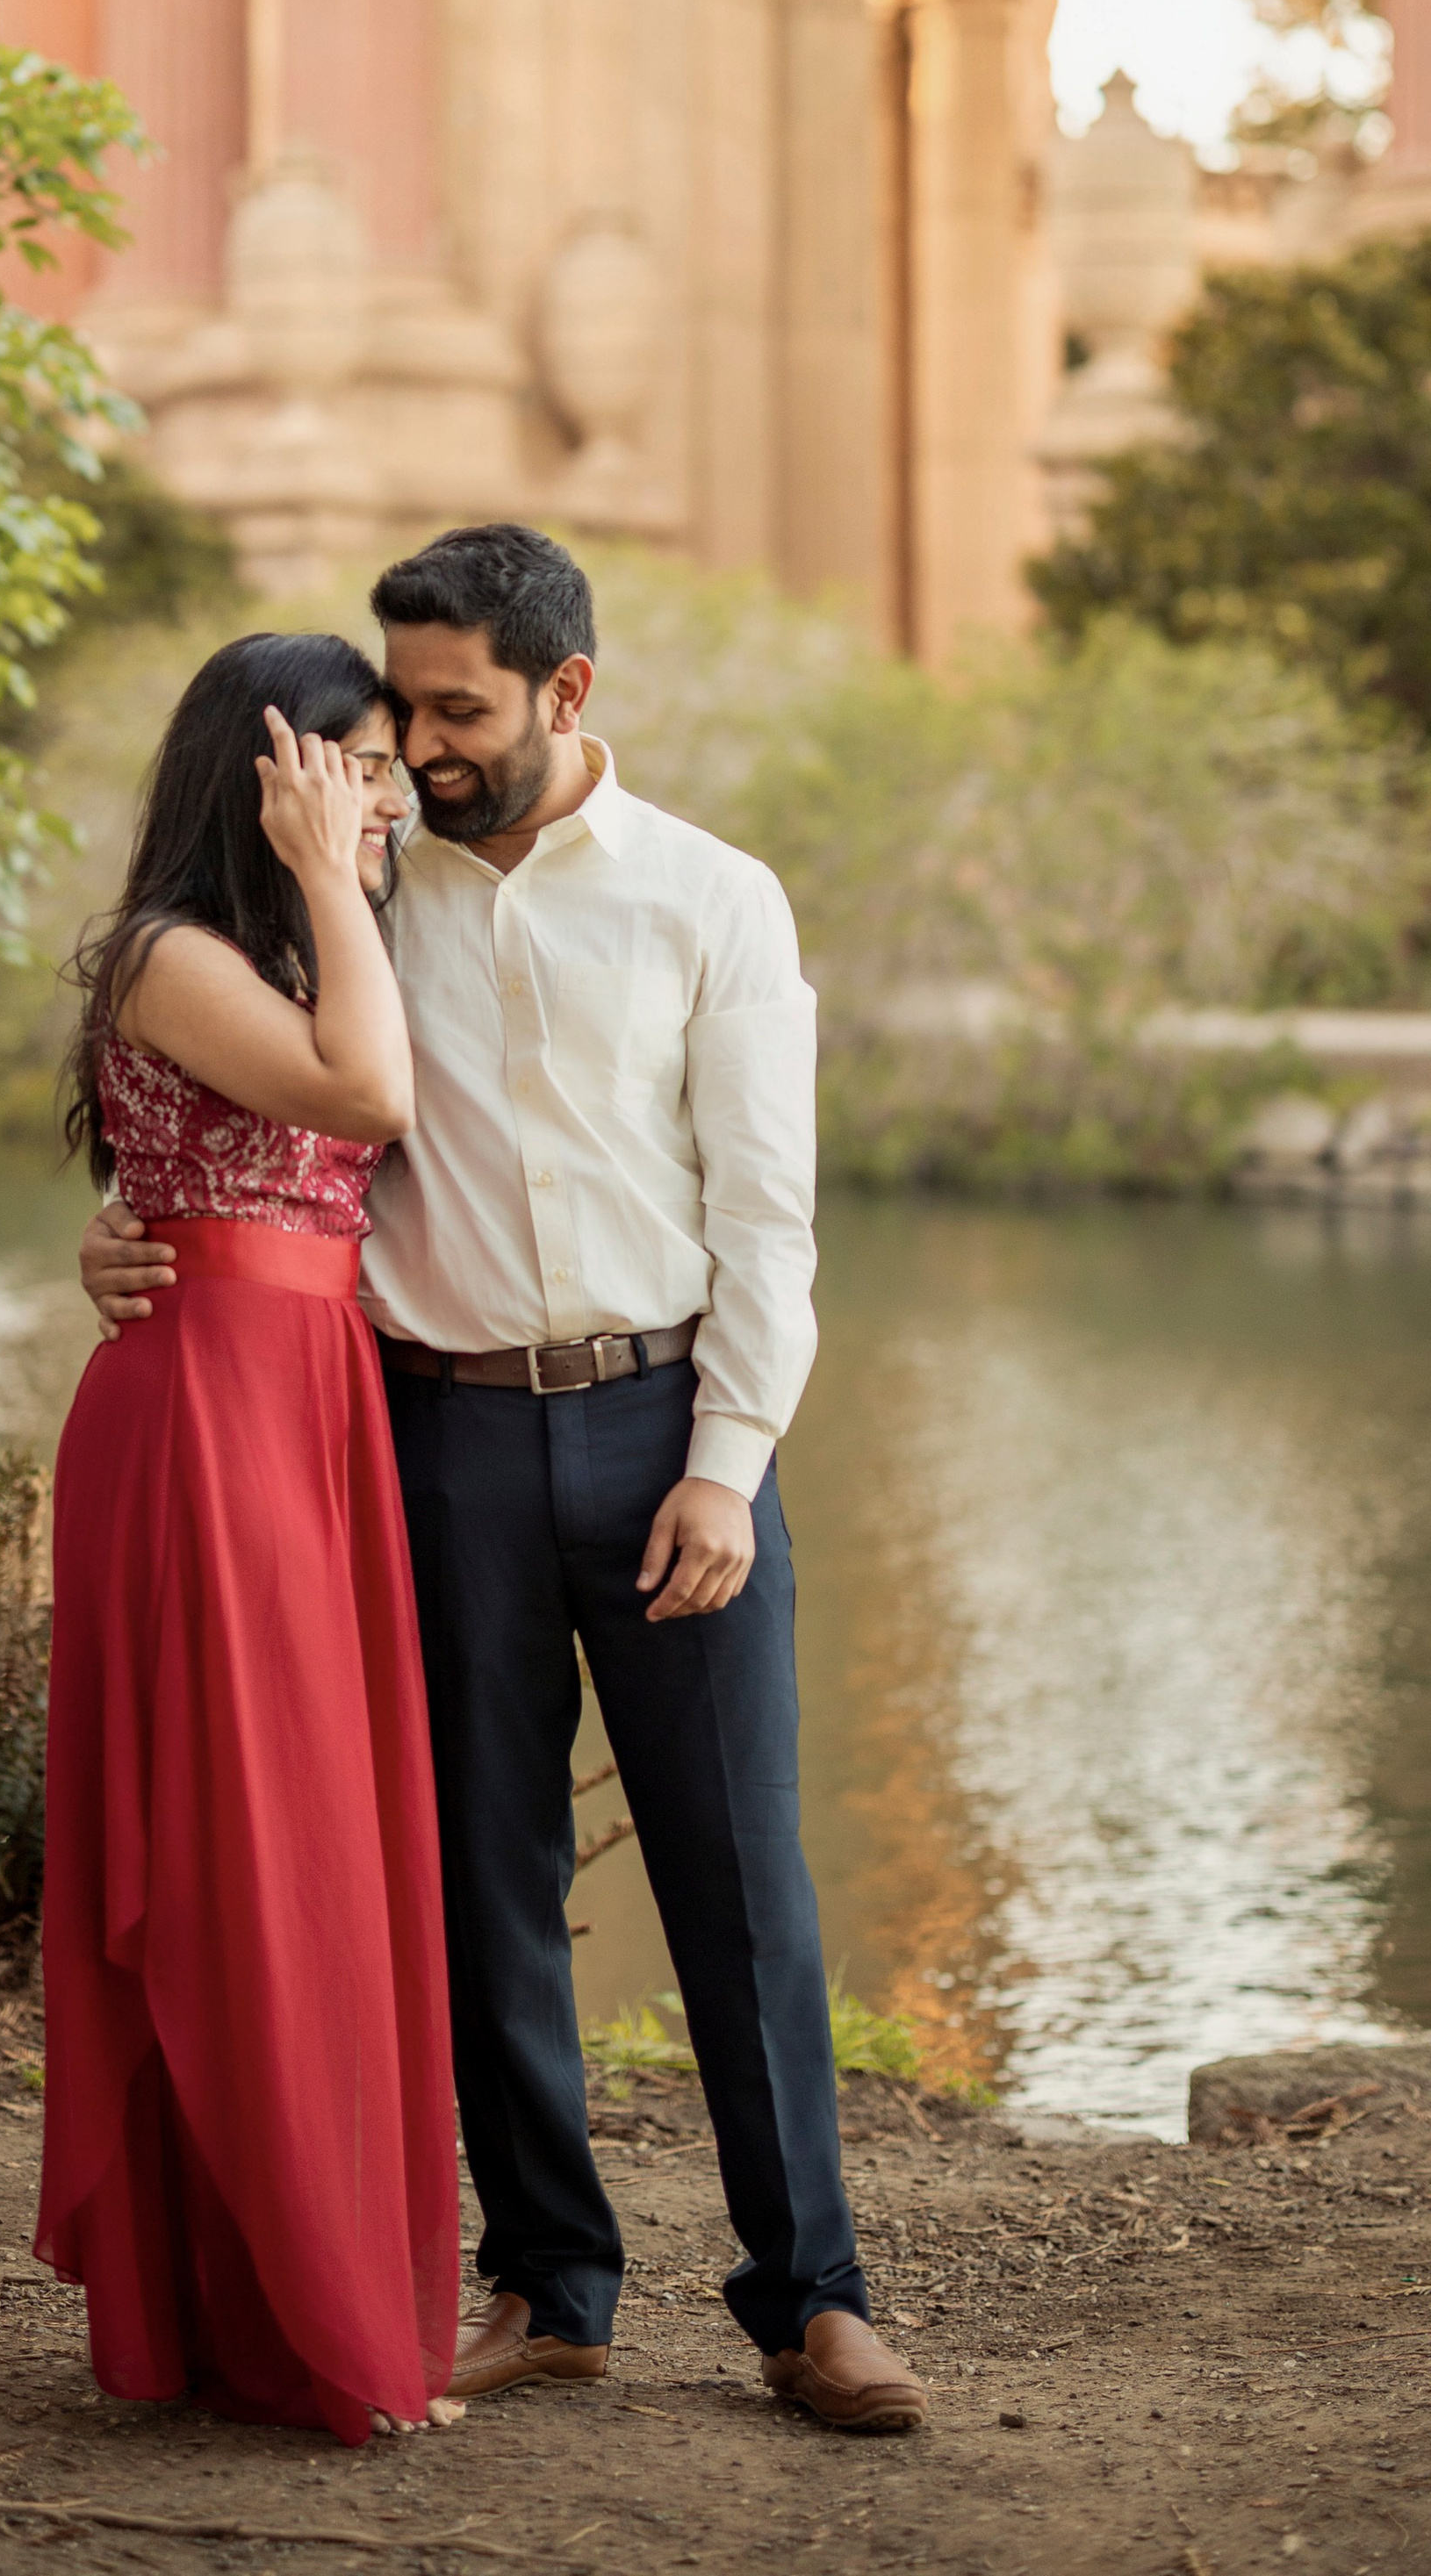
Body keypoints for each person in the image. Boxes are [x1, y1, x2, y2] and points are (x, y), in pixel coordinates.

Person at [81, 527, 930, 2438]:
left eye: (454, 712)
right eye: (400, 717)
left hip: (662, 1438)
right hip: (428, 1436)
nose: (422, 751)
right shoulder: (360, 893)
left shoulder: (713, 899)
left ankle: (812, 2299)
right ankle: (551, 2283)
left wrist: (727, 1465)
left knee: (740, 1886)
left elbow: (768, 1219)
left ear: (566, 692)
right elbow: (228, 1104)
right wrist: (118, 1234)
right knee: (476, 1881)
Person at [37, 631, 456, 2446]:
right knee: (238, 1865)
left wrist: (337, 886)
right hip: (207, 1412)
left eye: (384, 766)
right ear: (260, 773)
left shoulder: (309, 940)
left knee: (320, 1854)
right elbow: (364, 1100)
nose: (382, 793)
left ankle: (288, 2293)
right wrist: (324, 872)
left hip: (312, 1398)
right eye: (350, 761)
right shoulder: (170, 953)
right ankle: (275, 2315)